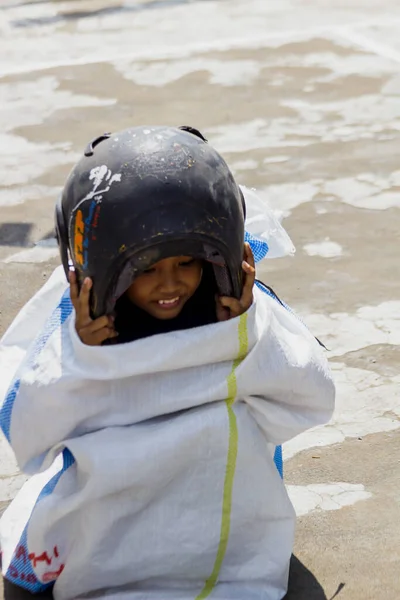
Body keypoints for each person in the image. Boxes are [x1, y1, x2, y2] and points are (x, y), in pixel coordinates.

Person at [0, 126, 335, 600]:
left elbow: (310, 401)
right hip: (117, 520)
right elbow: (29, 438)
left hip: (223, 516)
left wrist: (249, 332)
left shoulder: (244, 314)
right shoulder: (77, 329)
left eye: (186, 263)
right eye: (146, 268)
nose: (169, 284)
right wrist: (78, 357)